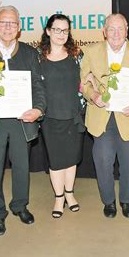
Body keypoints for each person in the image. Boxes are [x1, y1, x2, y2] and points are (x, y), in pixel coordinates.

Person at [0, 6, 46, 236]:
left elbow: (38, 86)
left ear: (19, 28)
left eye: (12, 23)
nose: (7, 27)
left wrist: (39, 109)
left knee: (22, 167)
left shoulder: (29, 53)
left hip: (21, 120)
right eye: (3, 23)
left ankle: (20, 206)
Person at [81, 13, 129, 218]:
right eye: (111, 29)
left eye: (121, 29)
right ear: (104, 31)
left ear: (127, 31)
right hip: (101, 116)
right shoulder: (91, 52)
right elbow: (84, 82)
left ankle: (127, 201)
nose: (116, 33)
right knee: (102, 160)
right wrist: (93, 95)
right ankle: (109, 201)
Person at [37, 14, 85, 218]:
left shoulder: (77, 54)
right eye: (57, 29)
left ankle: (70, 194)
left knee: (71, 158)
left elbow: (85, 81)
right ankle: (58, 198)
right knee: (56, 160)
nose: (61, 34)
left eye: (65, 30)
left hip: (73, 116)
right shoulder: (37, 57)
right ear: (48, 31)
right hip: (50, 117)